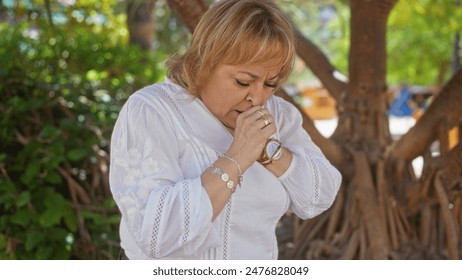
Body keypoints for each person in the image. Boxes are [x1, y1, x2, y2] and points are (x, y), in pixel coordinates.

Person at [109, 0, 341, 260]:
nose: (258, 98)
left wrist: (271, 153)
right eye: (244, 81)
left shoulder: (279, 114)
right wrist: (238, 156)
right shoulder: (152, 111)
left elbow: (320, 197)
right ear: (204, 62)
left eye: (270, 83)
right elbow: (156, 235)